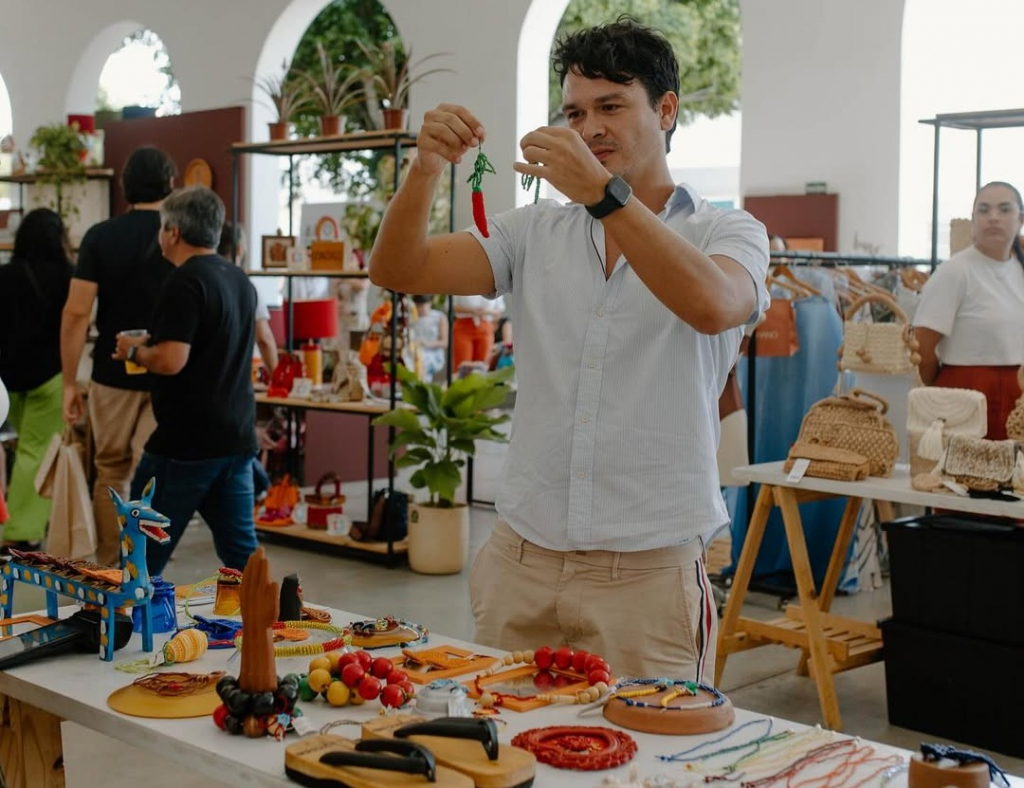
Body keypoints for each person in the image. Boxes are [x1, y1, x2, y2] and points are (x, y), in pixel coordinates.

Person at [369, 17, 769, 679]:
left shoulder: (726, 229)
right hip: (520, 560)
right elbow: (398, 269)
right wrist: (424, 170)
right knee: (505, 736)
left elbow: (714, 305)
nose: (590, 129)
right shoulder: (534, 232)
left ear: (666, 110)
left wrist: (606, 199)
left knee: (650, 745)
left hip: (648, 573)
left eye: (611, 106)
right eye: (575, 113)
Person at [113, 185, 259, 575]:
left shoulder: (184, 282)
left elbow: (171, 360)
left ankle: (131, 613)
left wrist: (133, 352)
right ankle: (267, 611)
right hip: (236, 437)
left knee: (140, 551)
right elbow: (210, 344)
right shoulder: (238, 279)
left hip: (185, 444)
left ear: (173, 232)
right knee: (243, 556)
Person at [60, 146, 176, 565]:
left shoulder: (101, 236)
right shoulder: (180, 235)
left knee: (111, 469)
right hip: (170, 372)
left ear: (125, 186)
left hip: (112, 374)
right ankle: (149, 567)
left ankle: (113, 568)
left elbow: (77, 314)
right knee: (156, 472)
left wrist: (69, 382)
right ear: (171, 184)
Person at [913, 181, 1024, 439]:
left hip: (1018, 395)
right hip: (965, 393)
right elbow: (922, 348)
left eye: (1004, 209)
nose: (993, 217)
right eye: (984, 210)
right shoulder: (954, 272)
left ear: (1020, 220)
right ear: (973, 221)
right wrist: (940, 390)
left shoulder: (1019, 268)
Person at [0, 209, 72, 550]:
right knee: (36, 452)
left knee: (11, 450)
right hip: (50, 377)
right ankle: (20, 532)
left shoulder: (4, 275)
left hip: (7, 380)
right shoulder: (68, 277)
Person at [218, 221, 280, 373]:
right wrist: (276, 378)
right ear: (239, 250)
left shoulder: (203, 282)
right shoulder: (246, 286)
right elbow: (264, 339)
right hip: (241, 373)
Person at [451, 294, 504, 371]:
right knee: (462, 363)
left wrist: (486, 312)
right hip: (464, 325)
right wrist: (472, 311)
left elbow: (499, 311)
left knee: (483, 364)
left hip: (485, 326)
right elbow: (451, 306)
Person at [410, 294, 449, 381]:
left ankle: (421, 383)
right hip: (414, 350)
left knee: (422, 359)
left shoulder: (439, 317)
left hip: (432, 352)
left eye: (422, 305)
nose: (420, 309)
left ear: (429, 303)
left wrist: (425, 343)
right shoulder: (412, 317)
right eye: (417, 306)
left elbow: (444, 343)